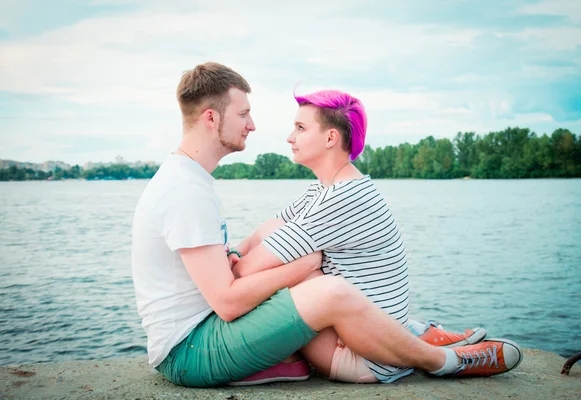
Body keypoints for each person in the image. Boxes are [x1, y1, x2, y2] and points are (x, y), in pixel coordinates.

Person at [131, 61, 523, 388]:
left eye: (299, 128)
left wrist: (246, 258)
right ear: (211, 117)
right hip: (191, 349)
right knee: (325, 286)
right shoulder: (186, 190)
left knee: (316, 281)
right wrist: (301, 266)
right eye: (244, 113)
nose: (253, 125)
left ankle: (414, 332)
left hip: (207, 332)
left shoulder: (193, 182)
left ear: (331, 137)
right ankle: (442, 360)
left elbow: (261, 241)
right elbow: (229, 300)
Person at [227, 89, 489, 384]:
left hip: (366, 358)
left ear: (330, 138)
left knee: (279, 278)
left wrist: (237, 264)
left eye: (300, 128)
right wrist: (237, 251)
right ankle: (418, 332)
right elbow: (263, 232)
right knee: (298, 267)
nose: (290, 137)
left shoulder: (342, 199)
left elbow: (245, 271)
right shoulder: (327, 188)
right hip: (366, 334)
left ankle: (424, 345)